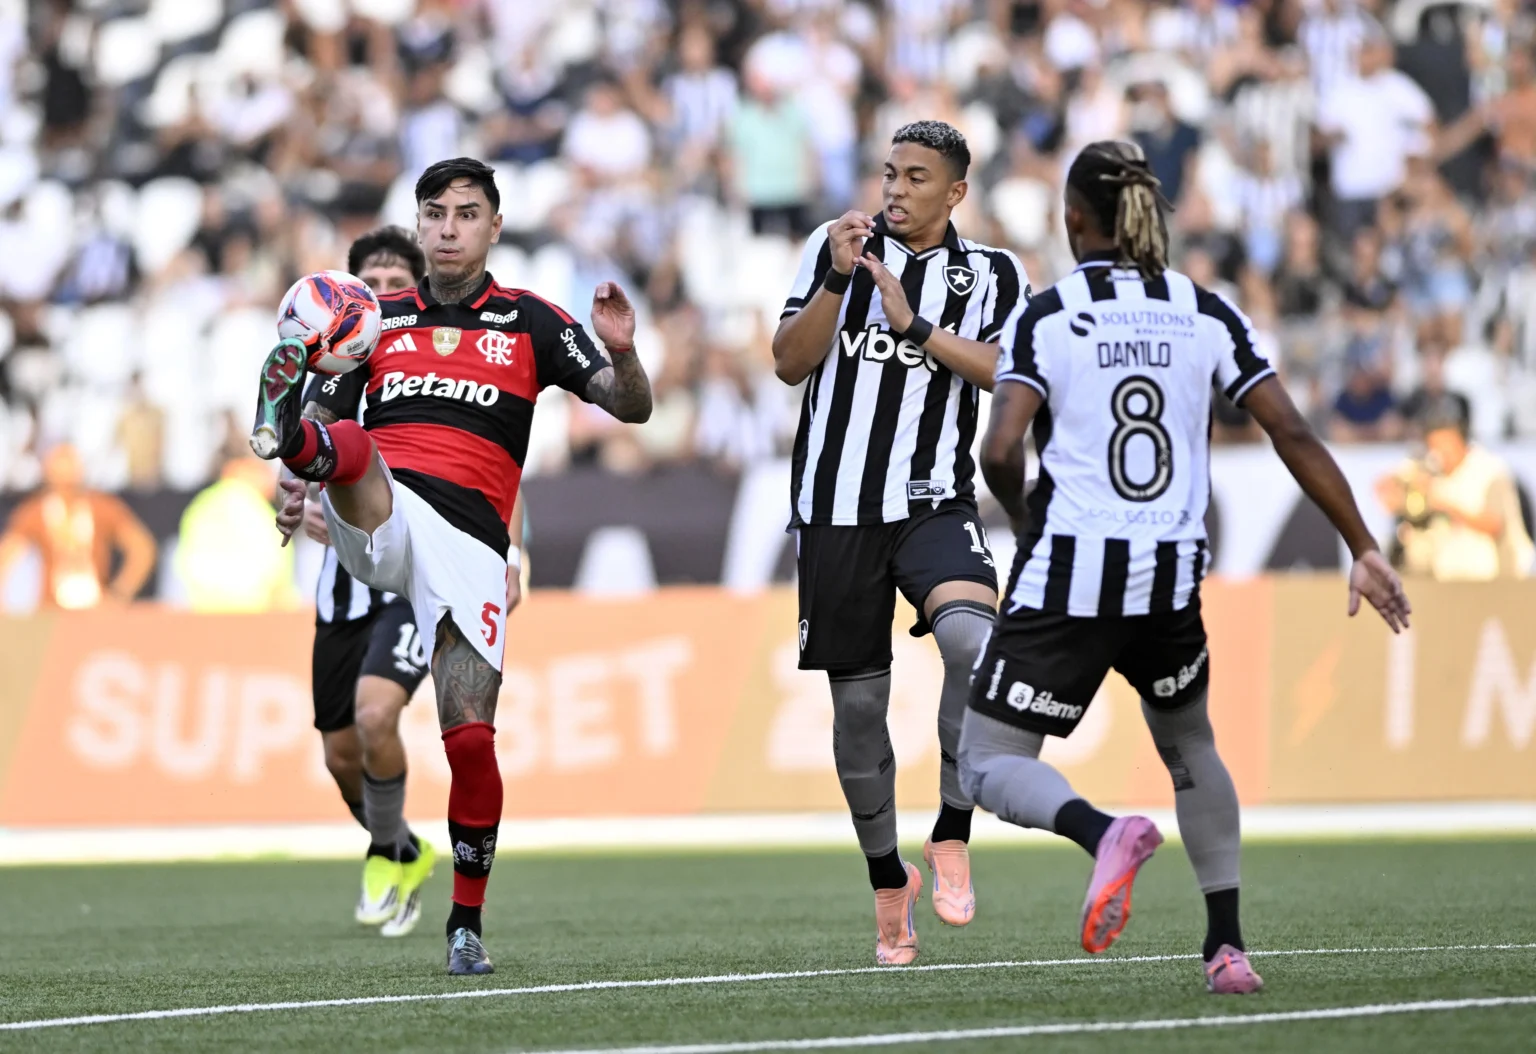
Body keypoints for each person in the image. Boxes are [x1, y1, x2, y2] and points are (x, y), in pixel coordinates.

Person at [963, 140, 1411, 994]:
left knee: (985, 760)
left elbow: (1001, 447)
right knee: (1191, 745)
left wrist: (1026, 521)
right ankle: (1228, 948)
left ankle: (1104, 834)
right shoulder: (1204, 311)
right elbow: (1291, 431)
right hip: (1169, 573)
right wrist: (1361, 544)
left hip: (1074, 568)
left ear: (1072, 221)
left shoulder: (1050, 314)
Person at [252, 157, 652, 975]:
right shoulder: (374, 320)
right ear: (420, 221)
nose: (446, 227)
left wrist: (625, 352)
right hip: (387, 513)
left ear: (494, 226)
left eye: (465, 214)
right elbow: (334, 425)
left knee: (470, 741)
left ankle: (465, 925)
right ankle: (276, 427)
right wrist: (296, 477)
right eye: (433, 213)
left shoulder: (532, 321)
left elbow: (629, 405)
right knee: (352, 449)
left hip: (471, 548)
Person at [772, 120, 1029, 966]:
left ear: (956, 192)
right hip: (835, 511)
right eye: (890, 172)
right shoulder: (833, 244)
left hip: (932, 502)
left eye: (917, 177)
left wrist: (915, 326)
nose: (895, 189)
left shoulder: (992, 272)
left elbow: (1009, 371)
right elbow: (788, 362)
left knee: (973, 644)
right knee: (857, 713)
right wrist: (838, 284)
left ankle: (951, 833)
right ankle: (890, 883)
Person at [291, 228, 441, 938]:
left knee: (377, 716)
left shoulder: (435, 363)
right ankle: (402, 847)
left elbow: (492, 465)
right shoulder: (325, 374)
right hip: (341, 590)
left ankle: (387, 853)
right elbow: (292, 477)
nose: (380, 296)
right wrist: (294, 504)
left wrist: (512, 553)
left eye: (393, 285)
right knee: (339, 751)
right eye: (368, 284)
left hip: (412, 580)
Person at [1375, 394, 1534, 581]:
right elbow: (1384, 486)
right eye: (1435, 445)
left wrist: (1444, 505)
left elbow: (1495, 524)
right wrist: (1405, 492)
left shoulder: (1490, 471)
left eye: (1447, 444)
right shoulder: (1428, 468)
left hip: (1493, 575)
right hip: (1447, 574)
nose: (1442, 452)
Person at [0, 443, 156, 610]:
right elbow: (7, 554)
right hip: (51, 609)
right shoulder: (34, 512)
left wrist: (120, 592)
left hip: (96, 610)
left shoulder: (102, 507)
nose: (66, 487)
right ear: (47, 474)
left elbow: (142, 548)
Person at [177, 455, 295, 612]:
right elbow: (277, 565)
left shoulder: (201, 504)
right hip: (254, 609)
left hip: (204, 607)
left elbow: (184, 558)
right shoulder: (257, 508)